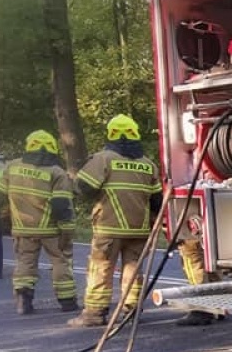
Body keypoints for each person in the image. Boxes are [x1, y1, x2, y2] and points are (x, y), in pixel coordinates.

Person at [68, 115, 162, 327]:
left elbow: (84, 189)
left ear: (110, 134)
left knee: (100, 268)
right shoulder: (148, 164)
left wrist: (82, 172)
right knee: (133, 270)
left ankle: (94, 314)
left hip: (108, 228)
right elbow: (157, 200)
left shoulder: (103, 159)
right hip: (139, 229)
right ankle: (131, 311)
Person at [0, 131, 78, 314]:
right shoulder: (57, 173)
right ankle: (67, 302)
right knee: (60, 261)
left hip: (23, 228)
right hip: (51, 230)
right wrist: (66, 231)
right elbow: (61, 205)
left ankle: (23, 301)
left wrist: (7, 218)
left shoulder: (12, 167)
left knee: (25, 262)